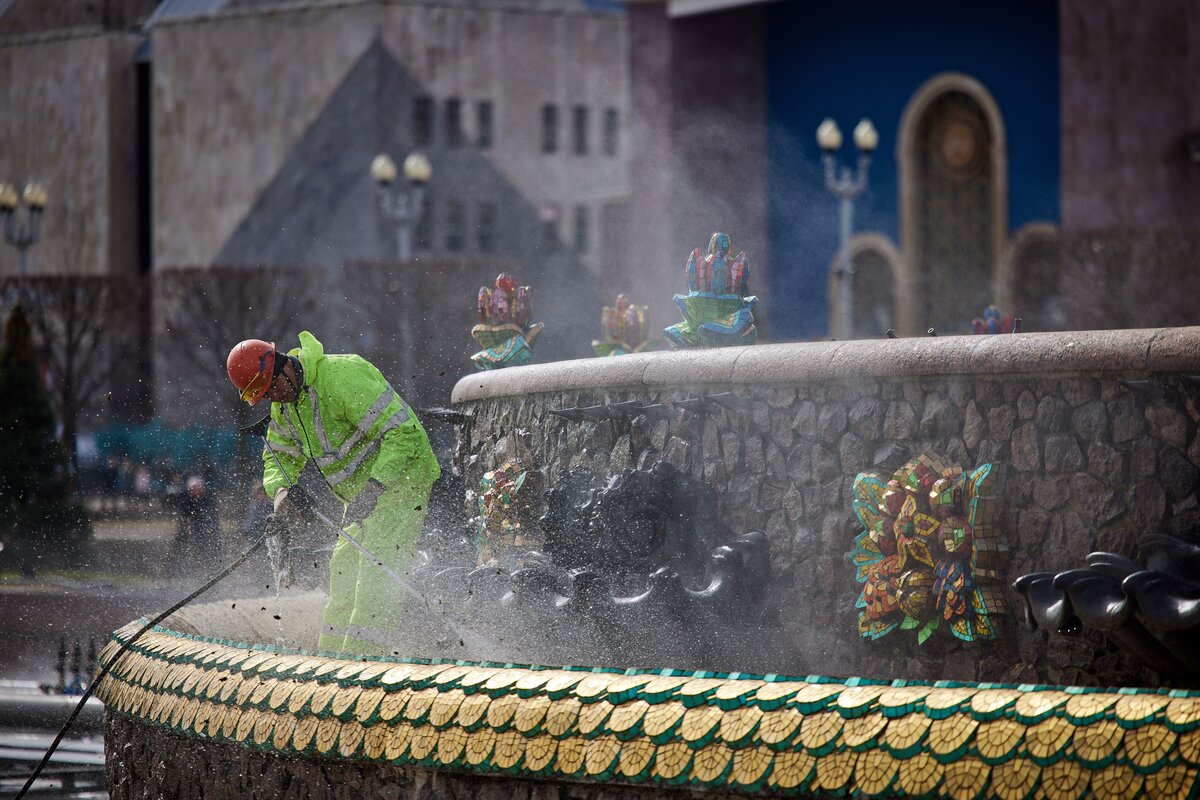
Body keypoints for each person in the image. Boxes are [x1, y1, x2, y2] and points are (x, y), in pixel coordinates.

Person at [225, 332, 441, 655]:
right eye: (265, 395)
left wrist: (375, 486)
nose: (273, 398)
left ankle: (363, 665)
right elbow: (278, 457)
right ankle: (329, 662)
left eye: (272, 387)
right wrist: (281, 493)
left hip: (403, 479)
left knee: (376, 574)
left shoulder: (343, 376)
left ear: (284, 366)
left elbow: (404, 433)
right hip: (360, 497)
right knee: (342, 569)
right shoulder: (285, 409)